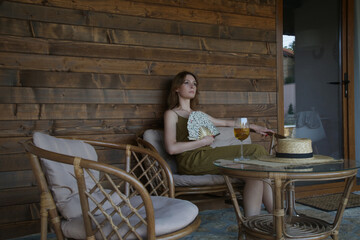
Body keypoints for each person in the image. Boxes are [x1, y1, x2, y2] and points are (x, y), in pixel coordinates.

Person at [164, 71, 273, 217]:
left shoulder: (198, 114)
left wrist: (255, 127)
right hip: (191, 161)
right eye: (187, 82)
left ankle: (256, 222)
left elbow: (227, 123)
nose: (192, 86)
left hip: (206, 156)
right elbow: (171, 148)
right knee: (256, 149)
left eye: (195, 84)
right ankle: (277, 212)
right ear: (176, 88)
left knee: (255, 175)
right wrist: (202, 141)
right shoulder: (171, 114)